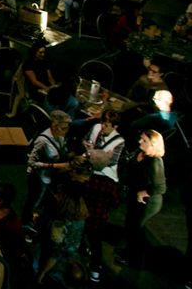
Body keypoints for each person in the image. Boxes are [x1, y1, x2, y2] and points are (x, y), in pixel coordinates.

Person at [82, 109, 124, 281]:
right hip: (91, 177)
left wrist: (92, 153)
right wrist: (91, 150)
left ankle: (95, 266)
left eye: (107, 124)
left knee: (96, 229)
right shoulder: (96, 127)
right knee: (83, 217)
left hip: (104, 181)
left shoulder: (119, 141)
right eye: (103, 122)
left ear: (115, 126)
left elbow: (108, 162)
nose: (103, 126)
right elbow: (87, 142)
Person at [117, 130, 166, 268]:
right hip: (135, 197)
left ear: (153, 144)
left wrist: (144, 192)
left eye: (144, 140)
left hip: (148, 202)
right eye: (141, 139)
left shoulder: (155, 161)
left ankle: (134, 260)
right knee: (131, 226)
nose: (140, 142)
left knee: (135, 229)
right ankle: (129, 253)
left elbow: (161, 187)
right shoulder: (139, 153)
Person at [25, 110, 72, 222]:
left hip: (51, 177)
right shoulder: (42, 141)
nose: (67, 131)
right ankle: (26, 222)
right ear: (55, 126)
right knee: (34, 201)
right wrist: (55, 165)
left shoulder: (60, 136)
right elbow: (31, 162)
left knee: (43, 200)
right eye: (64, 128)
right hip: (40, 177)